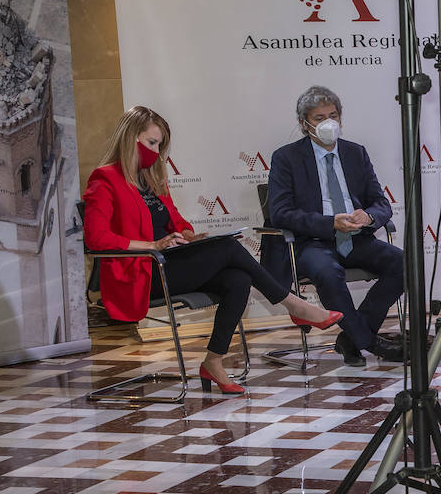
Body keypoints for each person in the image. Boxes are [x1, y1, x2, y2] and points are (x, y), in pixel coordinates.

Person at [84, 106, 341, 395]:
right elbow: (97, 238)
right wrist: (153, 245)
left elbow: (175, 220)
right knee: (228, 248)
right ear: (131, 137)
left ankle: (213, 362)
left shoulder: (153, 178)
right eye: (151, 143)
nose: (155, 152)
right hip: (139, 273)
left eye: (159, 146)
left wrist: (188, 235)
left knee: (238, 279)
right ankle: (294, 305)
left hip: (167, 263)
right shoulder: (104, 178)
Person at [267, 86, 406, 368]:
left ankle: (351, 339)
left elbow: (380, 202)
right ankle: (370, 342)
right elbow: (280, 213)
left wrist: (368, 217)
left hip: (355, 238)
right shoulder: (286, 157)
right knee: (329, 273)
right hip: (312, 242)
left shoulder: (355, 153)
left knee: (404, 264)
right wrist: (329, 223)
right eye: (319, 118)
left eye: (333, 115)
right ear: (304, 123)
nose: (328, 123)